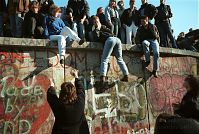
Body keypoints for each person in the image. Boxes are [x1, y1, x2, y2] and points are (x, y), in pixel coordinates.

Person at [47, 69, 89, 134]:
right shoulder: (80, 104)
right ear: (74, 93)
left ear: (62, 94)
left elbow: (51, 97)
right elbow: (81, 90)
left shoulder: (60, 107)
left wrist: (51, 86)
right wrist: (76, 77)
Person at [91, 16, 129, 87]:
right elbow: (111, 32)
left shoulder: (98, 28)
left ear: (96, 21)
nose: (95, 23)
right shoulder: (105, 27)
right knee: (120, 59)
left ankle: (102, 77)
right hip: (117, 40)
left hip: (110, 40)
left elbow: (96, 38)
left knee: (104, 59)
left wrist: (96, 29)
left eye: (95, 21)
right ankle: (126, 75)